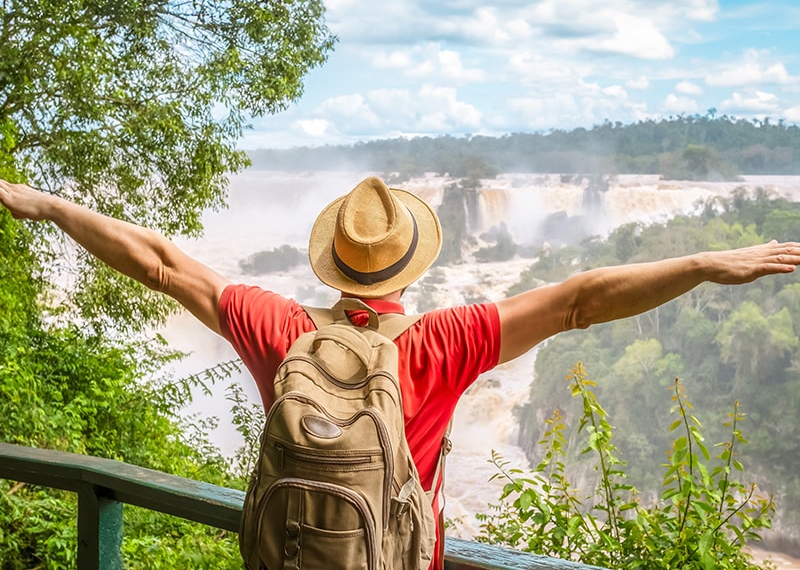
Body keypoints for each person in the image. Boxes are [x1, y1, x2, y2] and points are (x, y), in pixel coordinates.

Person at [1, 175, 799, 569]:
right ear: (411, 266)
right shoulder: (441, 343)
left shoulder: (277, 329)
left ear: (333, 263)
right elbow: (580, 302)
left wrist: (51, 206)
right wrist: (701, 263)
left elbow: (165, 266)